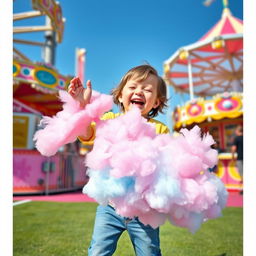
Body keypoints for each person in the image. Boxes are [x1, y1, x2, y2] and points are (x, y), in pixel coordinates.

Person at [68, 65, 169, 256]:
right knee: (98, 251)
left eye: (147, 90)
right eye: (133, 87)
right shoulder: (109, 120)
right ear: (121, 96)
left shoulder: (160, 129)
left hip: (144, 210)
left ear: (156, 102)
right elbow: (86, 132)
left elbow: (171, 161)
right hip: (110, 208)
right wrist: (81, 107)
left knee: (149, 252)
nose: (139, 91)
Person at [231, 125, 243, 194]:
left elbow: (233, 148)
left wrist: (232, 157)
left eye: (236, 130)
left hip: (240, 158)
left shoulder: (237, 138)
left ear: (238, 131)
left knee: (242, 174)